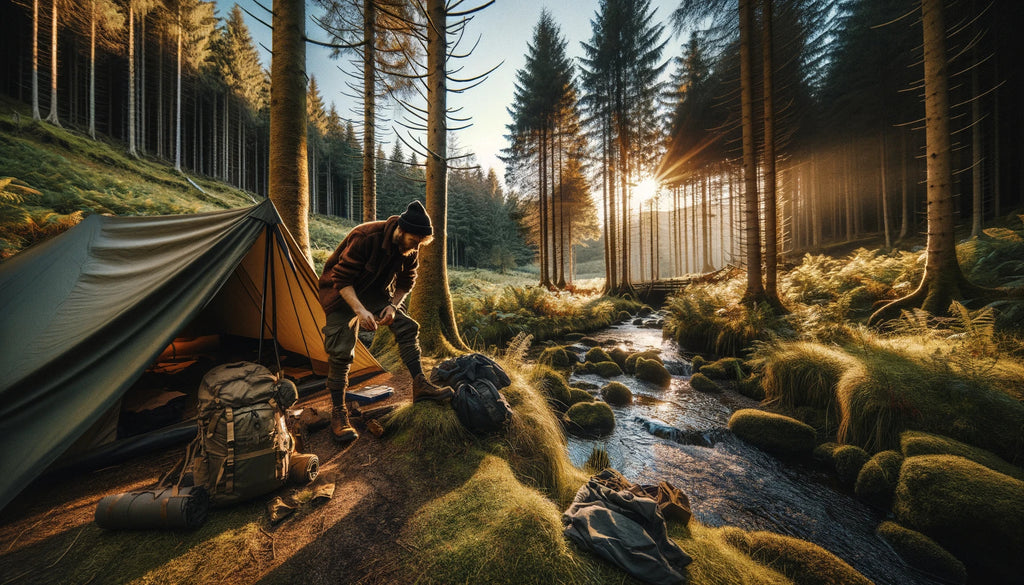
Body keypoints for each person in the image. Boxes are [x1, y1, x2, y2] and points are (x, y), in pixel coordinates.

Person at [318, 200, 454, 443]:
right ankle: (338, 413)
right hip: (340, 294)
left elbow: (406, 281)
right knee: (340, 349)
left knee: (407, 326)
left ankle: (420, 385)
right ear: (401, 230)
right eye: (414, 241)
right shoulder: (365, 236)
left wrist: (393, 305)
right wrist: (359, 310)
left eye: (419, 244)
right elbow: (341, 279)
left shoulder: (410, 246)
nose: (415, 248)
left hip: (375, 293)